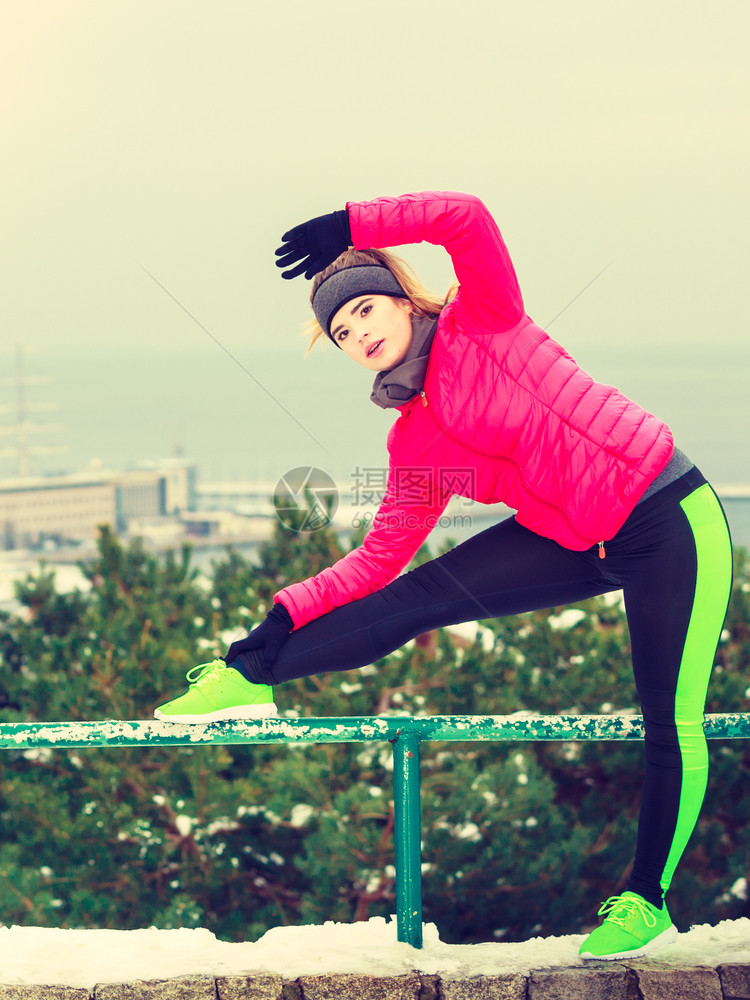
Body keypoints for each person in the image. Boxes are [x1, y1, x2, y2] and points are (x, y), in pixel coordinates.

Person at [154, 191, 733, 961]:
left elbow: (464, 217)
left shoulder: (484, 317)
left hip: (666, 514)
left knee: (672, 721)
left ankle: (645, 899)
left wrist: (353, 225)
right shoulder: (416, 439)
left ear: (400, 299)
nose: (357, 332)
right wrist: (282, 616)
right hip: (581, 542)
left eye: (364, 309)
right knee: (416, 597)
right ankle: (254, 677)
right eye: (340, 330)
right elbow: (378, 557)